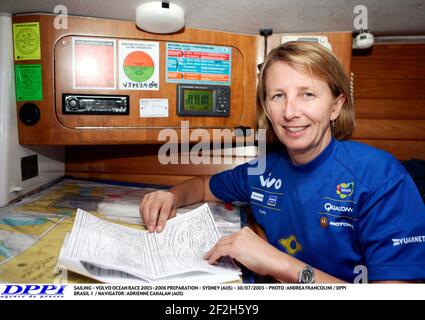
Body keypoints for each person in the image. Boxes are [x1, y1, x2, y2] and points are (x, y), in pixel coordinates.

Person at [140, 42, 425, 283]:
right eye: (278, 96)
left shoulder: (382, 179)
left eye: (307, 94)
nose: (290, 112)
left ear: (335, 106)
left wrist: (278, 264)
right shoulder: (264, 169)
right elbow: (203, 186)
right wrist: (171, 196)